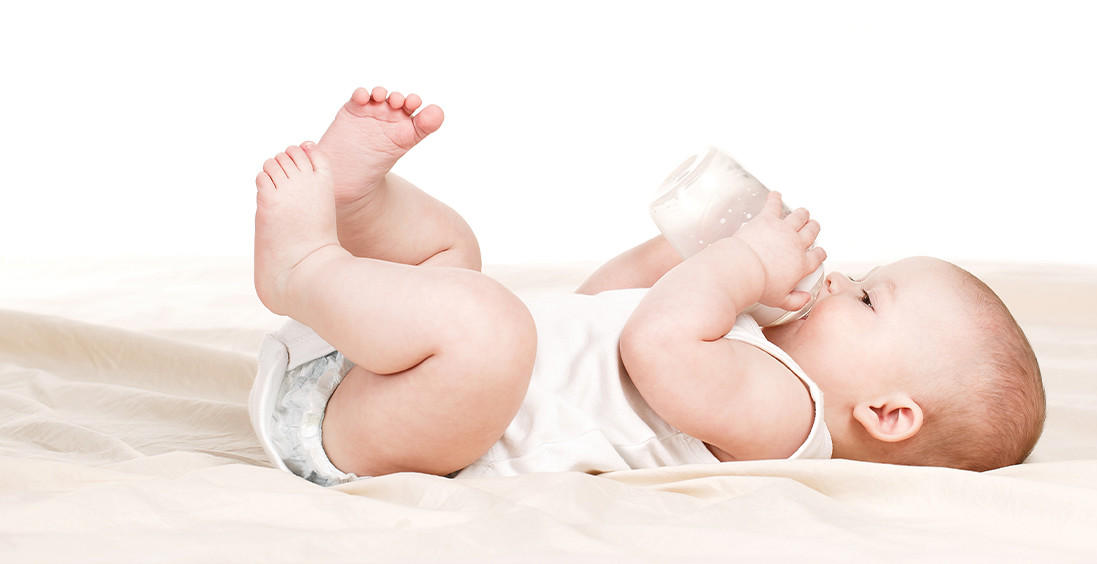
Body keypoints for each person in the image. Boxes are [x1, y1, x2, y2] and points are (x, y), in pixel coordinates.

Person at [250, 86, 1046, 486]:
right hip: (392, 367)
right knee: (455, 257)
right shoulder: (751, 347)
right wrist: (686, 249)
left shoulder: (790, 419)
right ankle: (358, 206)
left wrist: (744, 266)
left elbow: (655, 342)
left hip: (376, 436)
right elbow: (605, 305)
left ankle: (304, 267)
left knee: (487, 328)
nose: (839, 279)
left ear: (887, 414)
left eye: (867, 299)